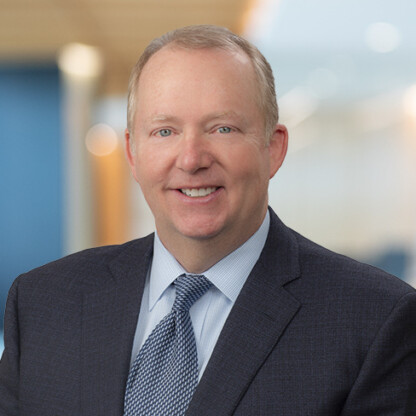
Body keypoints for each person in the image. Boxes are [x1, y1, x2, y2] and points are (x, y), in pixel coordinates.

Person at [0, 25, 415, 416]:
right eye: (164, 131)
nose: (192, 159)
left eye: (222, 128)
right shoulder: (42, 304)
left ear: (273, 149)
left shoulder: (375, 321)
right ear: (133, 154)